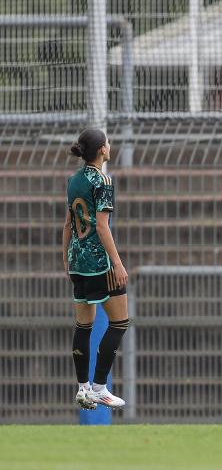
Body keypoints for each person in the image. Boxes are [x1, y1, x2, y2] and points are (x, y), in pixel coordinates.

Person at [64, 128, 130, 409]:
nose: (110, 146)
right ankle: (100, 387)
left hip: (77, 262)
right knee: (120, 322)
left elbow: (68, 223)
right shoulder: (102, 180)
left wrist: (65, 257)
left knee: (84, 325)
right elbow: (102, 226)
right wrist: (117, 263)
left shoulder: (74, 180)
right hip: (98, 264)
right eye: (108, 143)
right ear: (103, 149)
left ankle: (83, 388)